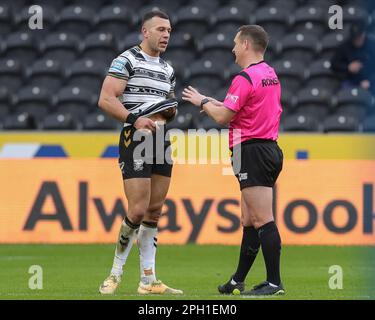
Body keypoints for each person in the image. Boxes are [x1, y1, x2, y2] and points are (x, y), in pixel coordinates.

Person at [182, 25, 284, 296]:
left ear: (247, 45)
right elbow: (241, 108)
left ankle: (274, 283)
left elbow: (222, 117)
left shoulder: (244, 78)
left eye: (236, 44)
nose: (233, 49)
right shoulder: (270, 74)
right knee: (248, 218)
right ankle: (238, 280)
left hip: (251, 151)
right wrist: (212, 102)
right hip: (266, 148)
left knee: (262, 219)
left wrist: (201, 102)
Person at [97, 10, 182, 295]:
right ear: (145, 32)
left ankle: (149, 280)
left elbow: (166, 106)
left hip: (161, 140)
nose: (166, 34)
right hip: (136, 138)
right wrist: (134, 119)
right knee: (137, 209)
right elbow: (106, 99)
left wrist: (168, 112)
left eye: (169, 30)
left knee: (155, 212)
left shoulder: (168, 70)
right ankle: (114, 273)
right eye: (160, 29)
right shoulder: (127, 60)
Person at [331, 19, 375, 95]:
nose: (357, 40)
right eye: (355, 38)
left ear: (363, 34)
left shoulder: (372, 46)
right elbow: (334, 64)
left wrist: (370, 81)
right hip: (351, 81)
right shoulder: (344, 47)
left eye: (359, 37)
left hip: (370, 80)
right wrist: (348, 67)